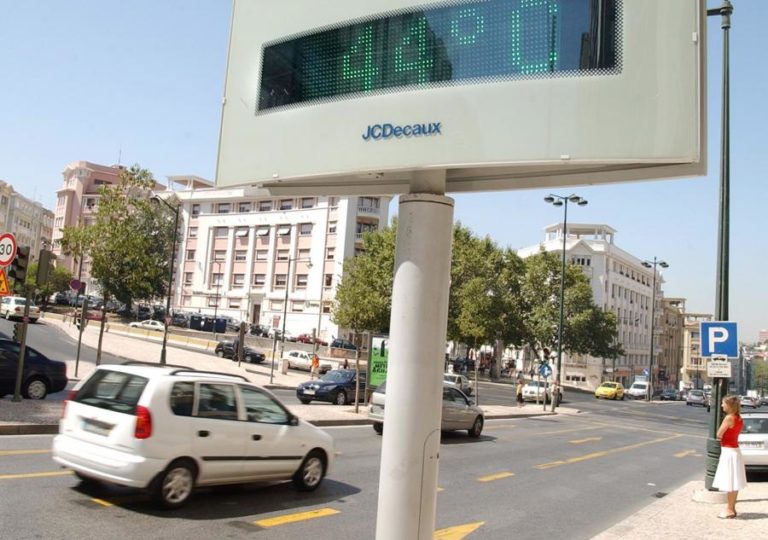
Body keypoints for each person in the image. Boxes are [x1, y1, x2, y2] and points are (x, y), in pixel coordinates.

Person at [712, 394, 747, 519]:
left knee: (730, 481)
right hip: (735, 451)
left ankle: (729, 509)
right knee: (734, 482)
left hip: (728, 452)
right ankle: (731, 508)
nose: (722, 405)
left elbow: (718, 434)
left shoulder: (728, 418)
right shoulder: (739, 417)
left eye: (723, 403)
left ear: (729, 405)